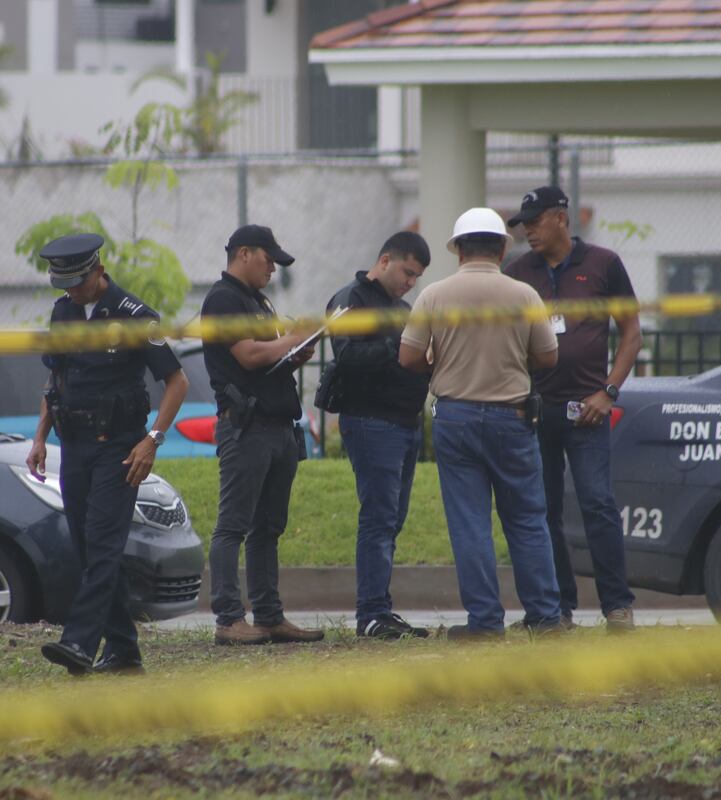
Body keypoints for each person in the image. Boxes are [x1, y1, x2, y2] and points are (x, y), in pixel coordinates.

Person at [399, 208, 563, 639]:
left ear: (457, 251)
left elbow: (408, 357)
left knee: (471, 523)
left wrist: (439, 363)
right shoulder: (524, 295)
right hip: (512, 416)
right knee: (528, 519)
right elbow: (548, 357)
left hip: (456, 417)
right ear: (503, 248)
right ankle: (546, 617)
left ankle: (485, 622)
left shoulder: (434, 295)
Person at [30, 232, 189, 675]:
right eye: (64, 283)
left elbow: (177, 383)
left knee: (102, 544)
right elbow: (54, 381)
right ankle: (123, 650)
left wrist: (152, 441)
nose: (71, 291)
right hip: (74, 445)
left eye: (78, 282)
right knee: (88, 548)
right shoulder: (62, 314)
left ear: (99, 271)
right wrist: (41, 436)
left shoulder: (135, 315)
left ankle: (79, 643)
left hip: (119, 449)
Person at [503, 186, 643, 633]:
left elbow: (632, 333)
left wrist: (608, 393)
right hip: (535, 410)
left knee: (598, 504)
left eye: (534, 220)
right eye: (522, 223)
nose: (527, 230)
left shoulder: (603, 264)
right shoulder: (518, 271)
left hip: (588, 412)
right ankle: (556, 609)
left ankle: (617, 606)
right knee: (541, 510)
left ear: (560, 218)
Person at [200, 224, 325, 646]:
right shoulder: (223, 300)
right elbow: (249, 355)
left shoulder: (257, 301)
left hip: (276, 426)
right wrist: (289, 340)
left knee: (268, 527)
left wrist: (294, 354)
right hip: (246, 426)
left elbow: (267, 362)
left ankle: (269, 616)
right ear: (243, 253)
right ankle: (228, 618)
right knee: (233, 525)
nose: (273, 267)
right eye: (268, 258)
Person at [326, 231, 432, 640]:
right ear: (385, 260)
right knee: (379, 519)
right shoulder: (349, 300)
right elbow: (348, 356)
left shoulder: (404, 308)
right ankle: (371, 613)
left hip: (404, 422)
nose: (410, 282)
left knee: (392, 520)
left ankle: (379, 608)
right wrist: (401, 347)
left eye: (417, 277)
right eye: (407, 272)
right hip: (371, 421)